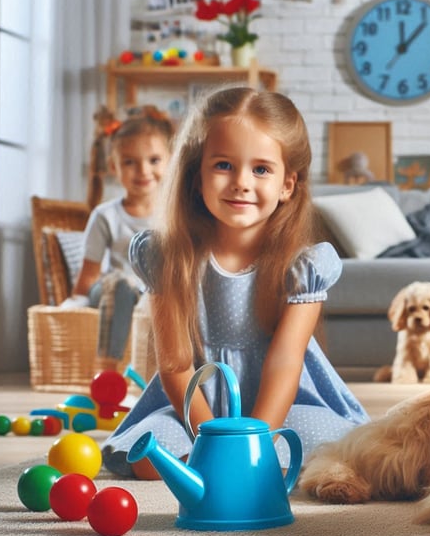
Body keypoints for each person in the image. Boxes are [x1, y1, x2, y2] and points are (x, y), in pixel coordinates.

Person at [102, 87, 369, 479]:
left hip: (279, 405)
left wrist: (255, 442)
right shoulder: (168, 257)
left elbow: (284, 363)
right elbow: (176, 364)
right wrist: (209, 439)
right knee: (146, 458)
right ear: (196, 178)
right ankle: (217, 458)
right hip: (196, 405)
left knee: (333, 448)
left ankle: (249, 456)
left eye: (261, 169)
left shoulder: (303, 267)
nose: (242, 182)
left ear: (287, 185)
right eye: (224, 165)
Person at [62, 106, 174, 372]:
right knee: (119, 285)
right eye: (129, 162)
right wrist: (75, 303)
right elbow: (88, 276)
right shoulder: (105, 215)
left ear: (170, 161)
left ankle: (160, 371)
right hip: (112, 292)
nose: (143, 170)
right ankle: (108, 370)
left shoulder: (173, 216)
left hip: (153, 293)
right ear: (114, 166)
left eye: (154, 160)